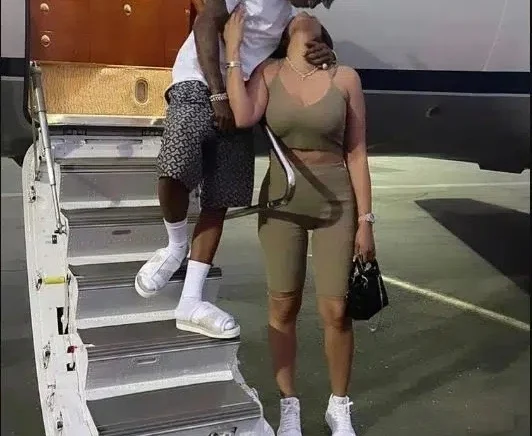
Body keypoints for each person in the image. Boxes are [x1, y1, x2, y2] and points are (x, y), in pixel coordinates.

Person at [134, 0, 337, 339]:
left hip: (238, 92)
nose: (314, 3)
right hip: (198, 80)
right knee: (174, 170)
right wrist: (217, 95)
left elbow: (318, 36)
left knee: (221, 196)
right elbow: (204, 24)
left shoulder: (289, 16)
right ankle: (175, 245)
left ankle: (190, 301)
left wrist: (327, 52)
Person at [223, 8, 376, 436]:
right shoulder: (268, 73)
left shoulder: (345, 78)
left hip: (336, 204)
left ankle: (338, 407)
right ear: (283, 34)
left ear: (323, 34)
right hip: (282, 203)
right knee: (283, 306)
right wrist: (233, 50)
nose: (304, 12)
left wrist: (366, 220)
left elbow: (357, 153)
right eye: (295, 16)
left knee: (337, 309)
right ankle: (288, 405)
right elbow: (242, 115)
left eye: (311, 13)